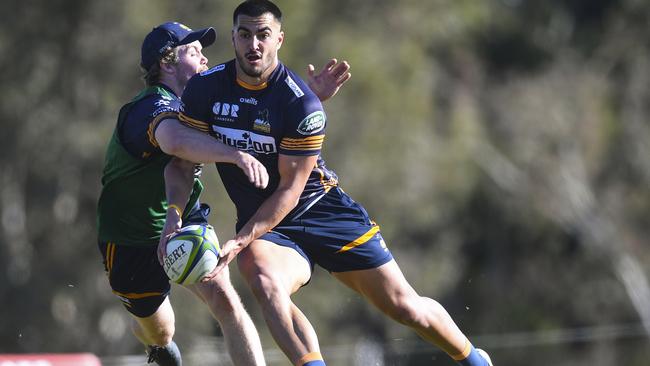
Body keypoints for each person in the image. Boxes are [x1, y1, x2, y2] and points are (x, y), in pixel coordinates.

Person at [166, 1, 495, 366]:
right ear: (233, 37)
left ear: (279, 39)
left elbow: (290, 190)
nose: (253, 44)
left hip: (323, 211)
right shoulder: (205, 91)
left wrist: (243, 237)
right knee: (262, 277)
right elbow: (181, 164)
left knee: (405, 307)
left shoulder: (302, 103)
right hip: (271, 228)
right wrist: (173, 218)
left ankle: (472, 359)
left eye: (263, 35)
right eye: (244, 34)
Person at [97, 20, 350, 366]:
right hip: (131, 239)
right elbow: (174, 140)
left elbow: (257, 123)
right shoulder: (149, 107)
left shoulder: (204, 104)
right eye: (194, 51)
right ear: (167, 63)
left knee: (227, 302)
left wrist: (305, 102)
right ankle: (155, 344)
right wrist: (234, 155)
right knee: (161, 330)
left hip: (184, 220)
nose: (205, 59)